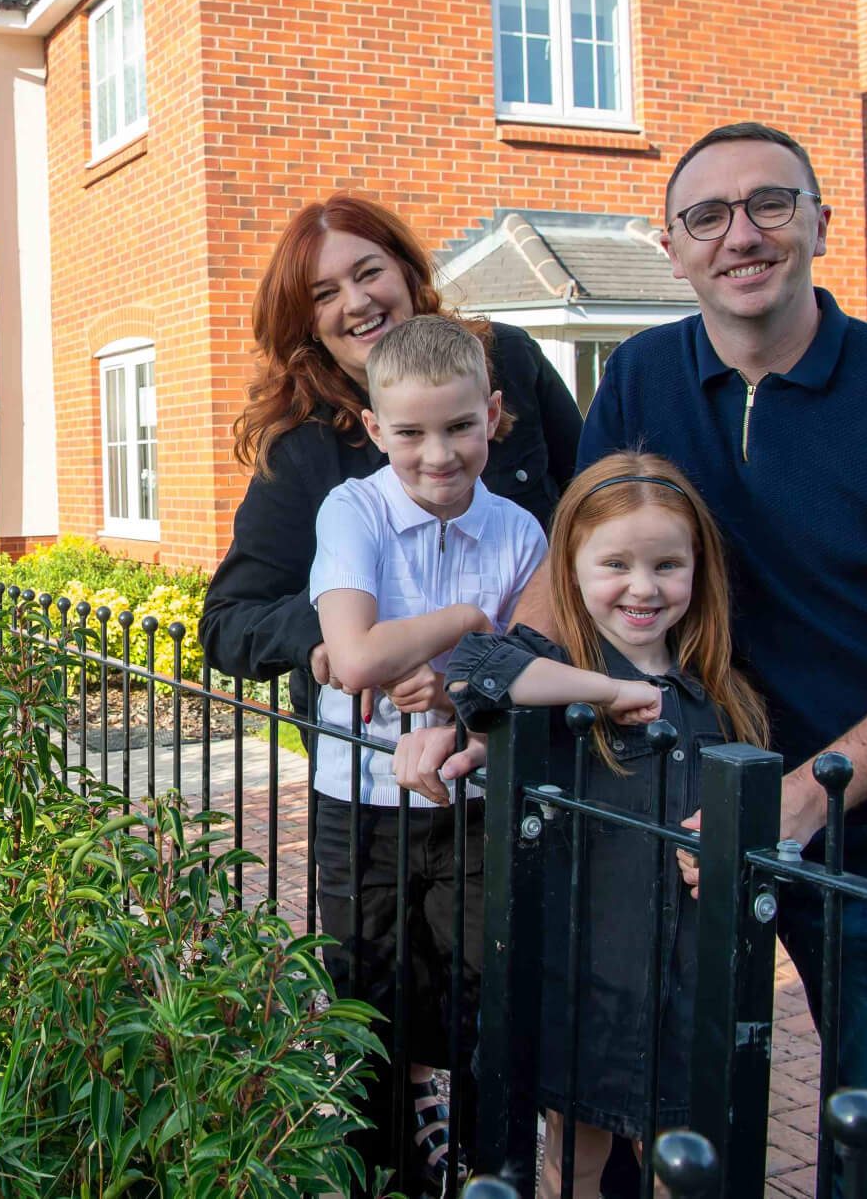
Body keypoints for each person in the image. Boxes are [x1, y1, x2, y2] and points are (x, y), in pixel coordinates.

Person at [572, 122, 867, 1196]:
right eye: (707, 215)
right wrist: (477, 695)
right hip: (690, 810)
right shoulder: (638, 377)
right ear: (671, 249)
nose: (741, 234)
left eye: (769, 203)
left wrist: (809, 793)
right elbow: (576, 569)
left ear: (819, 221)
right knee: (669, 1096)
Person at [201, 192, 582, 1194]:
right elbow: (229, 622)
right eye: (323, 292)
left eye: (367, 270)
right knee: (374, 995)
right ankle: (400, 1159)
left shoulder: (507, 365)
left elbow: (581, 524)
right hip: (366, 777)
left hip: (505, 757)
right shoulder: (308, 453)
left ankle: (491, 1164)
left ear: (407, 270)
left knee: (500, 989)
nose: (354, 299)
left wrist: (483, 662)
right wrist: (339, 641)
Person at [441, 452, 768, 1199]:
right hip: (586, 978)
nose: (643, 587)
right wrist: (609, 689)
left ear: (699, 569)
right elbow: (475, 668)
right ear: (572, 568)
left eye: (667, 565)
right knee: (574, 1162)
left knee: (683, 1165)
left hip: (687, 984)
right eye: (615, 563)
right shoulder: (561, 677)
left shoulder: (720, 691)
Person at [307, 314, 551, 1193]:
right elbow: (358, 657)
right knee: (367, 990)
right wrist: (469, 623)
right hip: (360, 799)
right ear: (376, 429)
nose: (437, 454)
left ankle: (485, 1170)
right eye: (410, 432)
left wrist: (452, 684)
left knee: (482, 989)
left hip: (472, 799)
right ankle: (380, 1172)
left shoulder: (522, 534)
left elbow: (531, 670)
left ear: (494, 415)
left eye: (459, 426)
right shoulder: (354, 509)